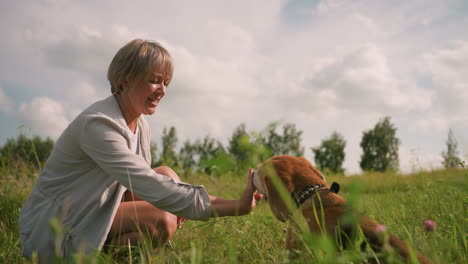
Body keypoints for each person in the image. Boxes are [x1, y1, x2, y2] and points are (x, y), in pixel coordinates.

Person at [18, 39, 262, 261]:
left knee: (167, 174)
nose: (162, 90)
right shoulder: (99, 124)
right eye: (155, 80)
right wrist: (234, 206)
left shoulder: (141, 126)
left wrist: (179, 201)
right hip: (54, 232)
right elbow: (147, 184)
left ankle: (124, 257)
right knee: (162, 217)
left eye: (166, 83)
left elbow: (144, 186)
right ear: (125, 80)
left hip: (92, 212)